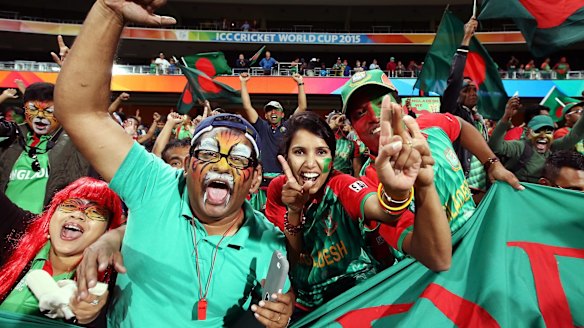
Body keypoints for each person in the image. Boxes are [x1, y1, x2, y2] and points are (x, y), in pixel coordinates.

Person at [54, 3, 293, 326]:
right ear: (186, 166)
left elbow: (275, 303)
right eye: (207, 153)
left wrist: (279, 315)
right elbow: (81, 112)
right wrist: (109, 12)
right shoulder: (155, 183)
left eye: (238, 158)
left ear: (255, 181)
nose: (221, 165)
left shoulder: (269, 242)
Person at [265, 110, 450, 315]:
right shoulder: (278, 190)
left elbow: (383, 211)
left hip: (355, 293)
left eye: (321, 152)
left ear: (333, 158)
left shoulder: (341, 184)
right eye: (299, 152)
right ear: (286, 157)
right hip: (306, 302)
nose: (311, 163)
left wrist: (398, 192)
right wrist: (294, 210)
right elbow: (291, 255)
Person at [339, 70, 521, 263]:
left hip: (486, 243)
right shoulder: (370, 188)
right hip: (439, 277)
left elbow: (461, 125)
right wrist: (421, 187)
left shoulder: (431, 124)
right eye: (360, 113)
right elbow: (428, 253)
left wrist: (492, 164)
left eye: (381, 103)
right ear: (353, 128)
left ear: (400, 105)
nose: (375, 117)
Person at [0, 177, 124, 325]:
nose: (77, 214)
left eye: (95, 212)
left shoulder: (115, 274)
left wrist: (115, 236)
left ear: (106, 229)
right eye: (70, 205)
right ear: (52, 212)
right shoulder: (18, 233)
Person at [0, 82, 91, 214]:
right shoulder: (12, 140)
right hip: (6, 226)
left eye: (49, 111)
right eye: (33, 109)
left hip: (45, 227)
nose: (40, 116)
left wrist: (77, 79)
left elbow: (94, 114)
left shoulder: (74, 142)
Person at [239, 72, 306, 212]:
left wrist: (300, 83)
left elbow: (302, 108)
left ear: (282, 114)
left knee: (281, 216)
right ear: (265, 115)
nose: (273, 113)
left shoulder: (288, 126)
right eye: (269, 111)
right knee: (260, 215)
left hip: (282, 180)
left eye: (276, 110)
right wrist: (243, 83)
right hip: (263, 181)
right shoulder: (262, 127)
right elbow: (247, 107)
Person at [489, 109, 584, 183]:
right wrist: (506, 118)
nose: (543, 136)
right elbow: (495, 146)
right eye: (537, 131)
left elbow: (575, 136)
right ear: (527, 133)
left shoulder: (554, 147)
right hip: (517, 194)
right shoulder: (519, 146)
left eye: (548, 132)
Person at [326, 111, 361, 176]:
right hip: (325, 180)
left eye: (341, 119)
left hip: (344, 181)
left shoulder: (352, 144)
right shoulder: (324, 141)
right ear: (328, 123)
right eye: (334, 118)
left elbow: (357, 169)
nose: (338, 120)